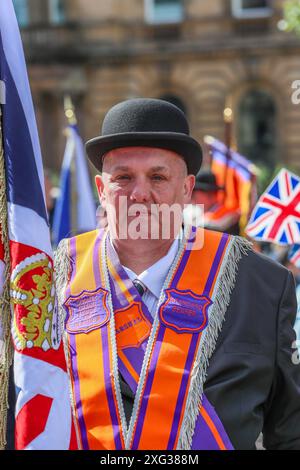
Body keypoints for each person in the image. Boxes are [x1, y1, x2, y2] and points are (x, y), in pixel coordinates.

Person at [55, 98, 300, 450]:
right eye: (123, 177)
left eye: (158, 177)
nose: (140, 194)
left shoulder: (261, 284)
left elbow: (291, 429)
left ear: (186, 189)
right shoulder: (53, 281)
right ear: (101, 190)